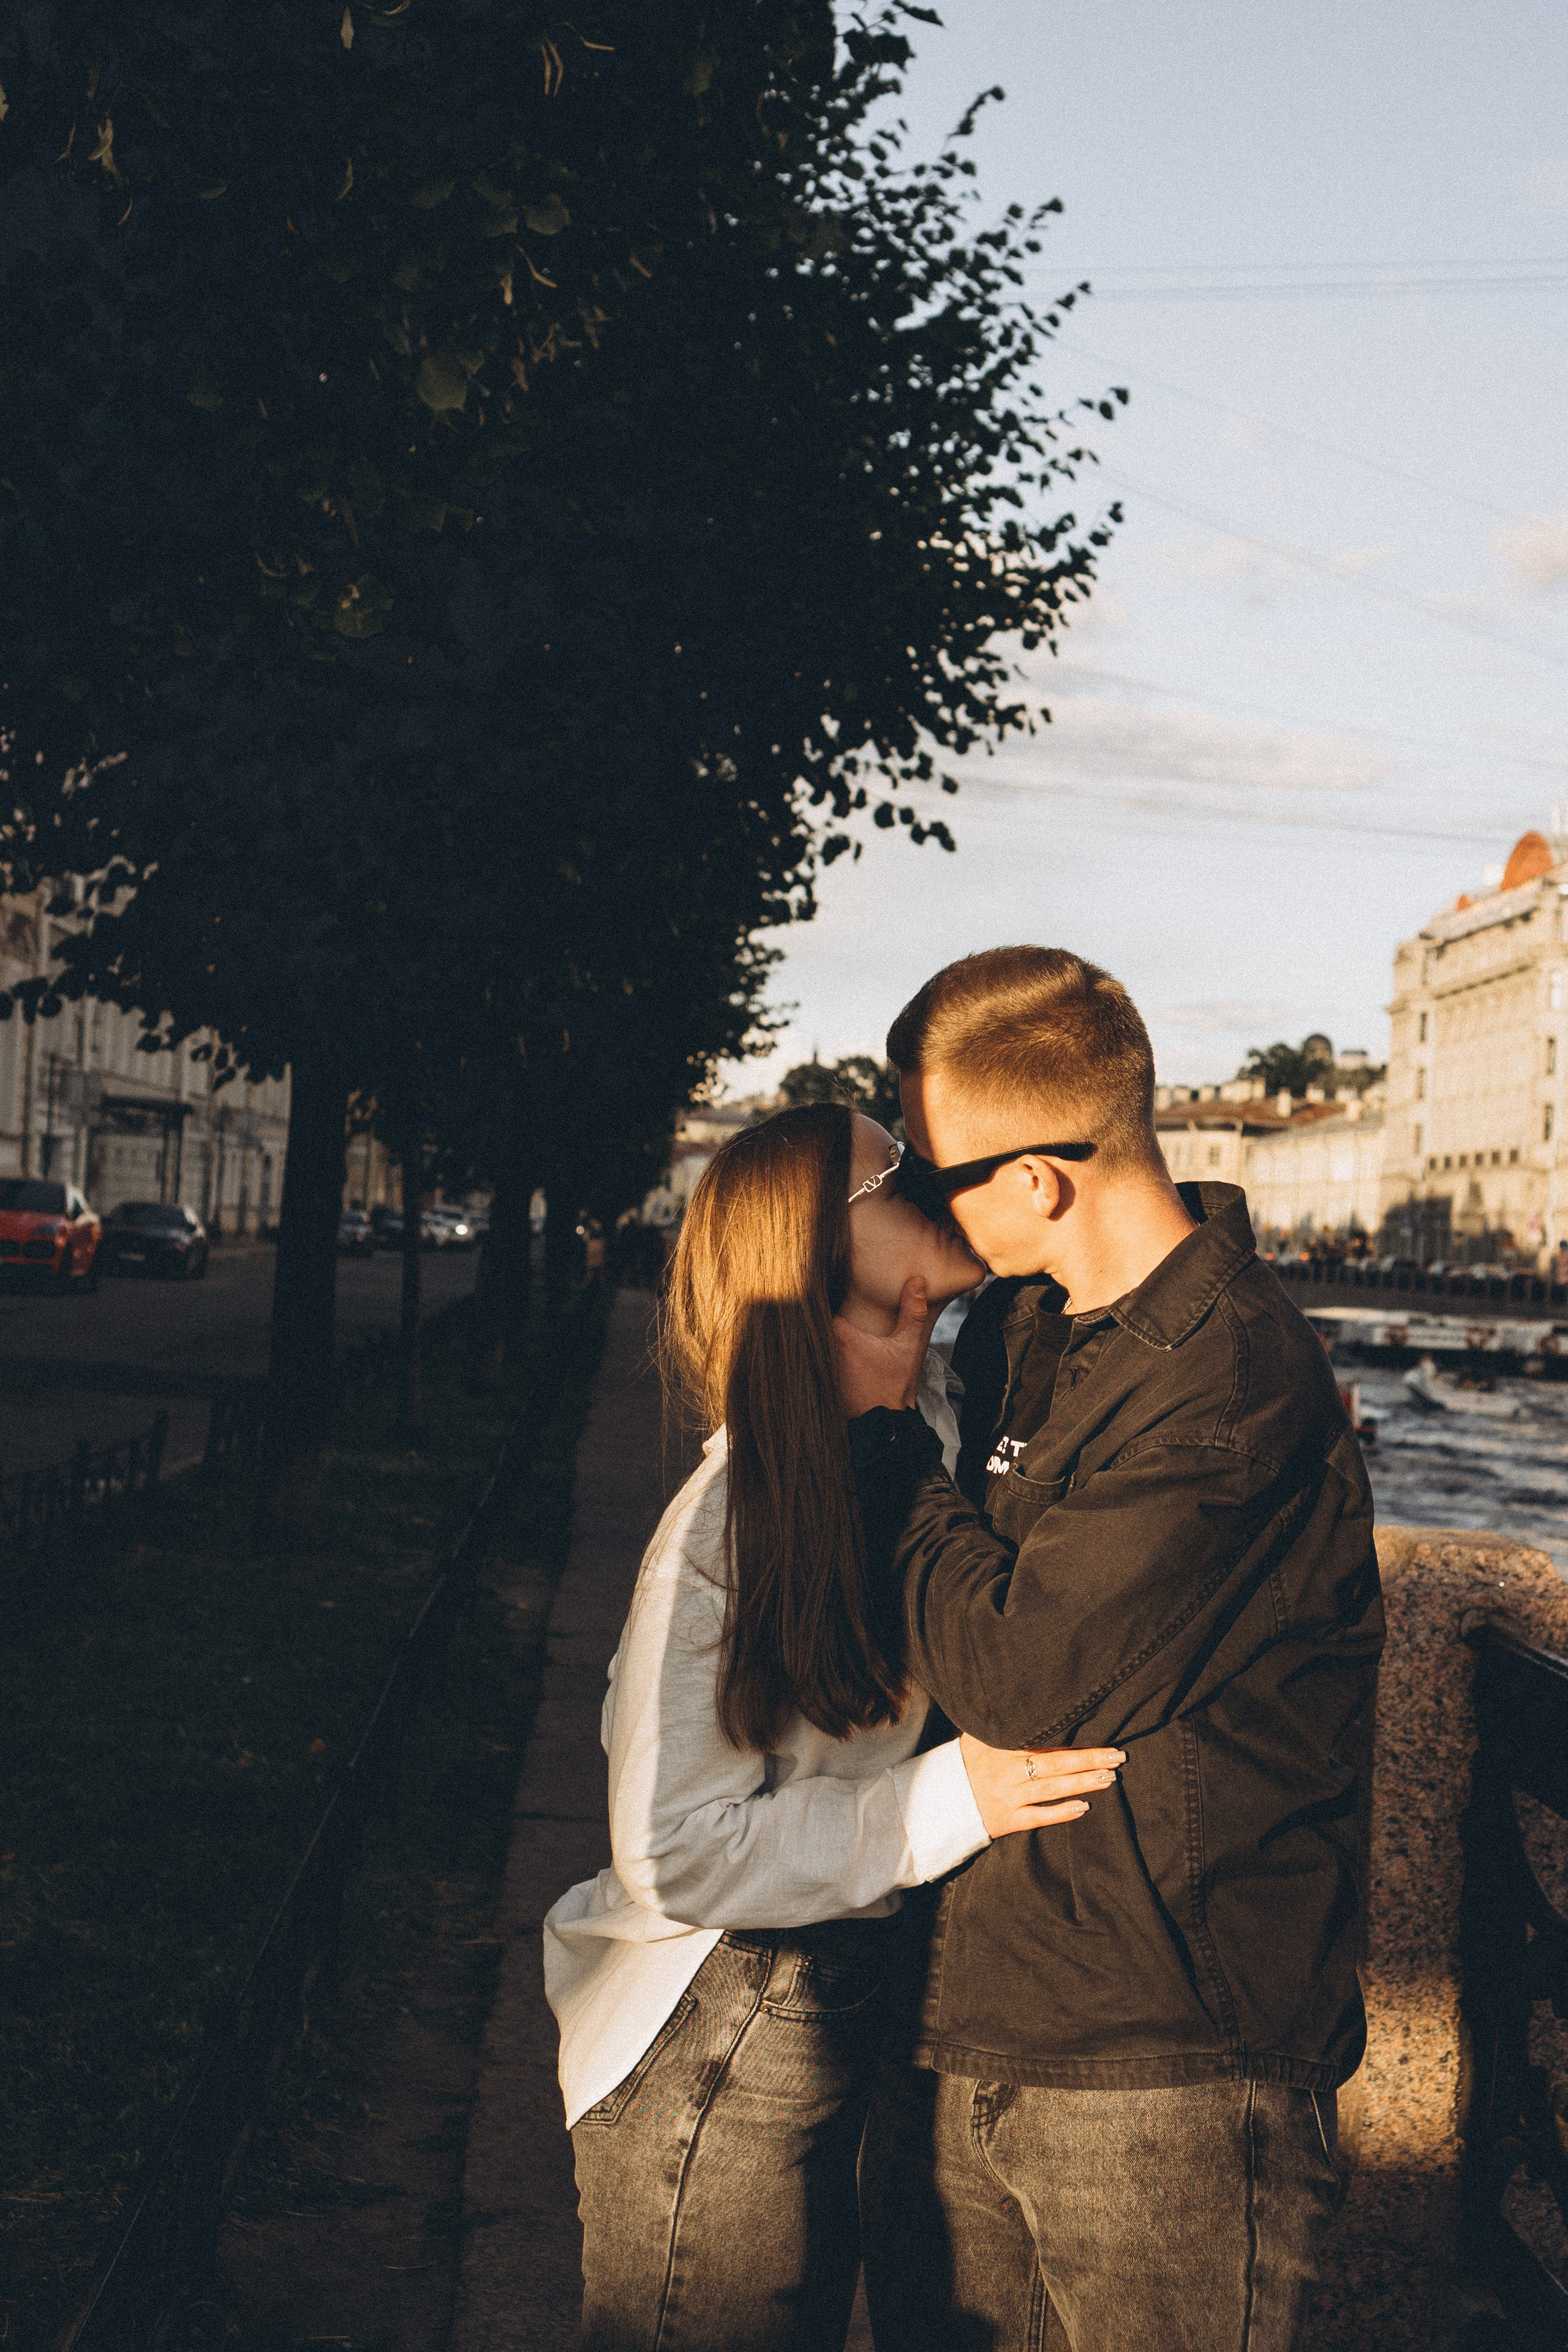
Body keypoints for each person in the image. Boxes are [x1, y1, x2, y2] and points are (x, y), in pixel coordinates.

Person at [836, 948, 1385, 2352]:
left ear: (1036, 1181)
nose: (911, 1203)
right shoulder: (1026, 1327)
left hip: (1167, 2072)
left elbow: (1021, 1677)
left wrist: (890, 1445)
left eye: (928, 1172)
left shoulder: (1231, 1381)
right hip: (977, 2012)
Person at [543, 1101, 1125, 2352]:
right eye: (899, 1176)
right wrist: (950, 1800)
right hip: (715, 2016)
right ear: (813, 1246)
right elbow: (671, 1849)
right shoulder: (731, 1514)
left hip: (818, 2001)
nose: (940, 1184)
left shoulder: (937, 1436)